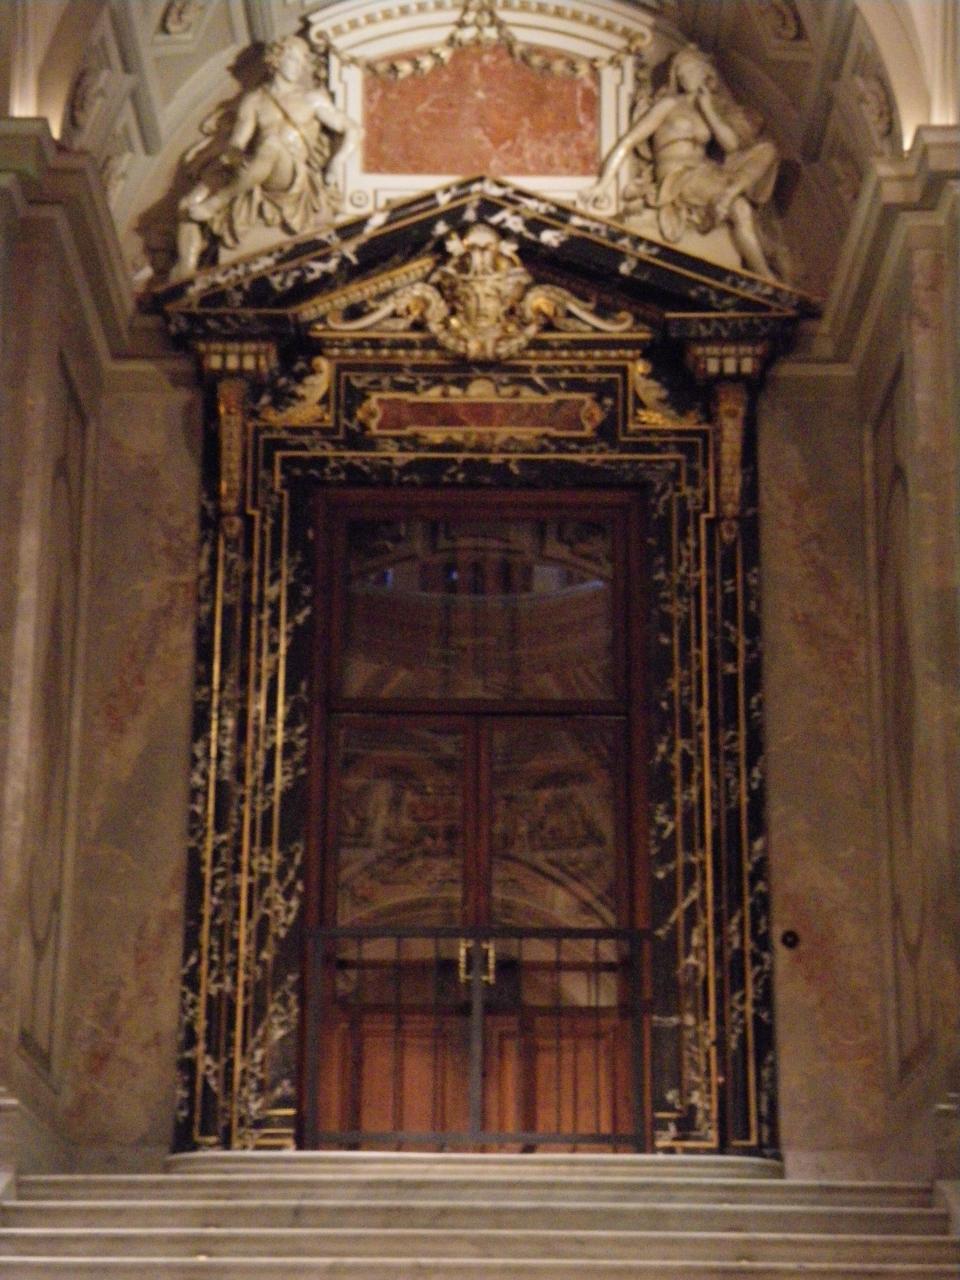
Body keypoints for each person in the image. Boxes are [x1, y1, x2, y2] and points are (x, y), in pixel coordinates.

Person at [173, 35, 361, 278]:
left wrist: (337, 161)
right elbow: (238, 142)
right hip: (256, 168)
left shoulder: (312, 99)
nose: (299, 66)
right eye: (293, 59)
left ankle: (217, 202)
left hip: (290, 175)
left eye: (302, 61)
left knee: (271, 143)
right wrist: (236, 157)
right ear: (277, 60)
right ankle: (185, 273)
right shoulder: (254, 100)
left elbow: (353, 129)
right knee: (188, 203)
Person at [586, 46, 779, 277]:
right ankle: (764, 273)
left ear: (706, 73)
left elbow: (731, 146)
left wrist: (707, 108)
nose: (685, 76)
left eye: (691, 70)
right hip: (678, 175)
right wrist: (603, 184)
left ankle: (730, 196)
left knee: (767, 150)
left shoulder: (709, 110)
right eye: (681, 72)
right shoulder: (669, 104)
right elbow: (629, 141)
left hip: (707, 171)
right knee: (741, 208)